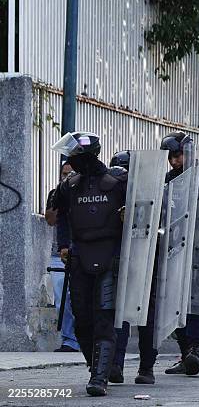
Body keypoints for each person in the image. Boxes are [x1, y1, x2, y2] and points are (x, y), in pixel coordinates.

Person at [53, 131, 128, 396]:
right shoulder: (70, 185)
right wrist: (63, 244)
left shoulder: (118, 180)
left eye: (74, 155)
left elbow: (148, 210)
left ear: (85, 155)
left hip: (109, 255)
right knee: (82, 319)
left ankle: (99, 378)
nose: (70, 160)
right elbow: (58, 215)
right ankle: (94, 365)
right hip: (79, 255)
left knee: (103, 319)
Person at [106, 150, 158, 385]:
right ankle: (115, 364)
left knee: (144, 317)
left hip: (146, 260)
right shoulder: (108, 193)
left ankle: (146, 367)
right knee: (120, 315)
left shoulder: (151, 193)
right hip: (120, 259)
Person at [160, 131, 199, 376]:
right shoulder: (167, 181)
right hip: (175, 250)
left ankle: (195, 351)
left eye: (178, 155)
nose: (174, 161)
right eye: (170, 157)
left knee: (197, 303)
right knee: (173, 302)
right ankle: (185, 352)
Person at [45, 162, 79, 353]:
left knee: (79, 298)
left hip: (83, 251)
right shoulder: (56, 193)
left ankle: (81, 338)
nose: (66, 177)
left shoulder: (86, 191)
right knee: (62, 299)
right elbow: (50, 219)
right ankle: (69, 340)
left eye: (70, 174)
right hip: (60, 253)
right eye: (63, 174)